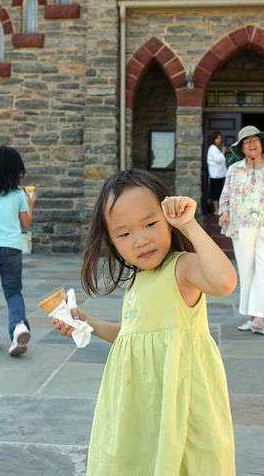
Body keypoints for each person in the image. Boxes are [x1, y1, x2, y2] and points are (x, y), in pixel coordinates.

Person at [53, 169, 237, 475]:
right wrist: (87, 322)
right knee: (142, 459)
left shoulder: (182, 268)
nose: (140, 240)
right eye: (124, 234)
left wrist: (189, 225)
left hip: (178, 401)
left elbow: (225, 282)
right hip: (142, 403)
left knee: (183, 461)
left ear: (168, 219)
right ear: (111, 241)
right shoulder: (137, 280)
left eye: (150, 223)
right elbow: (131, 335)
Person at [219, 126, 264, 338]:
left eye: (255, 140)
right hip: (241, 226)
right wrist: (224, 213)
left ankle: (259, 319)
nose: (252, 143)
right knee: (247, 271)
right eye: (246, 141)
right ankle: (252, 317)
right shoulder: (234, 170)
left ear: (262, 144)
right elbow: (225, 195)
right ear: (241, 147)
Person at [0, 146, 36, 355]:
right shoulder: (19, 194)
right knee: (13, 292)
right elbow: (25, 224)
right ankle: (18, 326)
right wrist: (31, 204)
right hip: (12, 249)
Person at [207, 131, 227, 215]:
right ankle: (216, 210)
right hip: (216, 175)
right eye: (217, 138)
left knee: (219, 192)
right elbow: (217, 160)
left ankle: (219, 209)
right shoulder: (212, 148)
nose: (219, 140)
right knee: (216, 192)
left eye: (220, 138)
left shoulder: (215, 148)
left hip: (219, 174)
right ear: (213, 139)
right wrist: (223, 152)